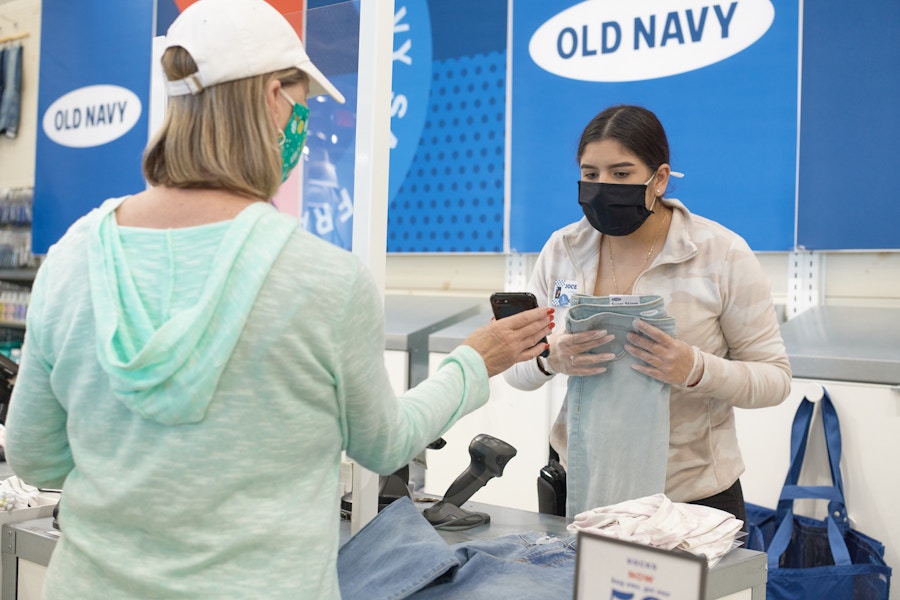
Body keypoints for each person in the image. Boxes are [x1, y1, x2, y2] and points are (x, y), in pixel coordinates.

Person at [3, 1, 553, 598]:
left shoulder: (71, 258)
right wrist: (473, 361)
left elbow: (34, 454)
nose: (302, 123)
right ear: (271, 97)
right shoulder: (323, 278)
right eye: (301, 105)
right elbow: (384, 443)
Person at [503, 105, 791, 523]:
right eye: (590, 174)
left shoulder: (721, 254)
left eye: (621, 174)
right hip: (581, 484)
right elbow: (516, 367)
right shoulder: (562, 249)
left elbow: (775, 379)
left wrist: (694, 368)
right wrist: (550, 358)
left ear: (658, 178)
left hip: (690, 499)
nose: (603, 187)